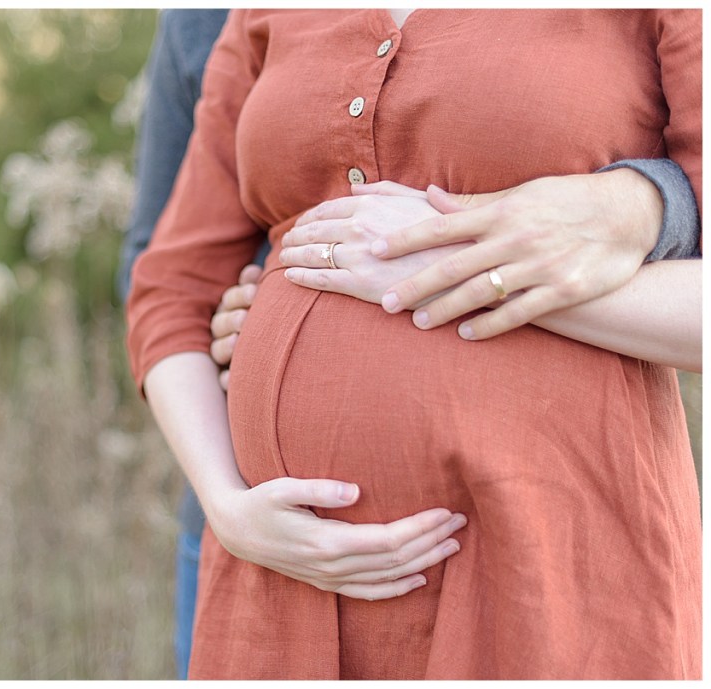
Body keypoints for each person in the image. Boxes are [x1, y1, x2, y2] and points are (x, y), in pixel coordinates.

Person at [124, 9, 701, 680]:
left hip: (547, 558)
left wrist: (464, 271)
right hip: (281, 572)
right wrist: (227, 506)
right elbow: (171, 288)